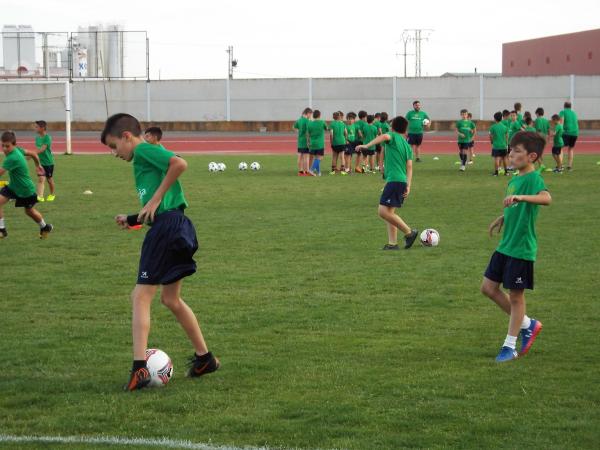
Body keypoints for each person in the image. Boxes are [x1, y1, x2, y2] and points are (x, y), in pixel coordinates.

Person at [100, 113, 219, 391]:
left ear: (127, 137)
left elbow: (179, 164)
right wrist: (133, 218)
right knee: (171, 299)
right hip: (178, 225)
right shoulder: (144, 155)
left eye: (113, 146)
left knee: (141, 295)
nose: (114, 154)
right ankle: (205, 359)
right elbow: (159, 206)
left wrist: (155, 198)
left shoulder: (142, 150)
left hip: (167, 228)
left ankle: (139, 369)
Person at [481, 131, 550, 363]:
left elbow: (546, 198)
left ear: (531, 156)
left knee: (516, 297)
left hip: (521, 248)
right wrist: (503, 216)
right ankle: (528, 324)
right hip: (506, 245)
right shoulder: (515, 179)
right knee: (488, 288)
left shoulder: (533, 178)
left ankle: (509, 346)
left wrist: (521, 198)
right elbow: (515, 205)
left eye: (517, 151)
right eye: (511, 150)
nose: (511, 154)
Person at [356, 116, 419, 250]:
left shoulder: (392, 136)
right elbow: (409, 167)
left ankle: (409, 233)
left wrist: (366, 145)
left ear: (393, 127)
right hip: (400, 180)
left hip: (395, 180)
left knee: (382, 211)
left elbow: (384, 136)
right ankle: (392, 243)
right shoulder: (407, 146)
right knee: (390, 213)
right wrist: (408, 185)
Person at [0, 131, 53, 239]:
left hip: (25, 190)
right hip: (13, 187)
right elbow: (33, 153)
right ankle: (2, 230)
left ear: (14, 145)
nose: (5, 149)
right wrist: (38, 165)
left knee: (29, 211)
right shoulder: (17, 150)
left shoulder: (11, 158)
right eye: (3, 146)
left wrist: (38, 166)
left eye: (7, 146)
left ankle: (45, 227)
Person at [33, 120, 56, 202]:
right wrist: (27, 157)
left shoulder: (47, 138)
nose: (35, 128)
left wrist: (31, 153)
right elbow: (37, 150)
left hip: (48, 163)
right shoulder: (37, 138)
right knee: (41, 179)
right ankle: (40, 196)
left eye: (36, 127)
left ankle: (52, 194)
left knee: (49, 180)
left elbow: (42, 149)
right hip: (40, 163)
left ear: (42, 128)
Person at [307, 109, 327, 176]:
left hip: (312, 143)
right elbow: (327, 128)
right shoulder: (322, 122)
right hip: (320, 144)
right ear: (319, 115)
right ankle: (311, 170)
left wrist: (308, 142)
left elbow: (308, 134)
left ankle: (318, 172)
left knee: (316, 158)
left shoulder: (310, 123)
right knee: (320, 158)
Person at [559, 101, 579, 171]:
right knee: (571, 148)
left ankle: (560, 165)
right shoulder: (574, 113)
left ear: (564, 106)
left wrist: (560, 131)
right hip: (575, 133)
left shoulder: (563, 112)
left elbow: (561, 122)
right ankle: (569, 166)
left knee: (560, 147)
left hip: (566, 132)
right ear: (570, 106)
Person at [293, 107, 312, 176]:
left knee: (299, 156)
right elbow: (308, 132)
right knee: (306, 157)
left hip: (300, 141)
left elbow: (294, 128)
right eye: (310, 114)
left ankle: (300, 172)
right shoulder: (307, 121)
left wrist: (299, 132)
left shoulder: (299, 120)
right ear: (308, 113)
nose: (311, 116)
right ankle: (306, 171)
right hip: (305, 141)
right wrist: (308, 142)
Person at [489, 112, 508, 176]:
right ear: (501, 118)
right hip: (503, 145)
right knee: (505, 158)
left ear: (494, 118)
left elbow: (491, 136)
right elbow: (506, 136)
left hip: (496, 145)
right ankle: (506, 172)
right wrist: (506, 144)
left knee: (497, 159)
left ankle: (496, 173)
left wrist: (492, 142)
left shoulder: (492, 127)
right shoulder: (505, 127)